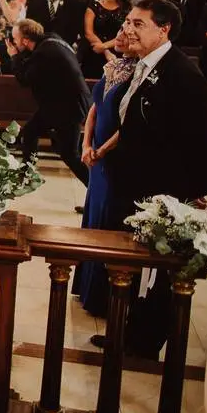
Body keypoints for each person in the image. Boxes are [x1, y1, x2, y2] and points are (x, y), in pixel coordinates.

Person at [103, 0, 207, 359]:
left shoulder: (183, 74)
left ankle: (145, 342)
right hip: (133, 184)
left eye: (139, 23)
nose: (129, 29)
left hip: (162, 191)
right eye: (129, 22)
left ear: (163, 29)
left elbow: (198, 141)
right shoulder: (145, 65)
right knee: (132, 266)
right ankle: (125, 331)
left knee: (157, 272)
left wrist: (194, 197)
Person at [72, 29, 139, 317]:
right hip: (97, 151)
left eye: (129, 31)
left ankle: (100, 294)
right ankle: (85, 285)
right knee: (93, 214)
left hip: (114, 157)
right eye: (122, 29)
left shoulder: (140, 74)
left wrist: (101, 151)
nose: (123, 34)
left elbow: (129, 126)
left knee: (108, 217)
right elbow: (95, 110)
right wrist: (87, 144)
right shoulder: (112, 67)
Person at [8, 19, 92, 186]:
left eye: (15, 39)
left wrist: (14, 57)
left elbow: (25, 79)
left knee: (70, 155)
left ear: (25, 40)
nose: (14, 42)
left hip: (68, 108)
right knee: (30, 132)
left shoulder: (44, 53)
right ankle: (26, 174)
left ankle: (96, 192)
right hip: (59, 104)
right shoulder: (51, 39)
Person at [78, 0, 131, 78]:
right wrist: (105, 51)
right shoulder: (93, 6)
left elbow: (126, 32)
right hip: (94, 51)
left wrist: (104, 46)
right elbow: (89, 32)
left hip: (117, 51)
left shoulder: (126, 9)